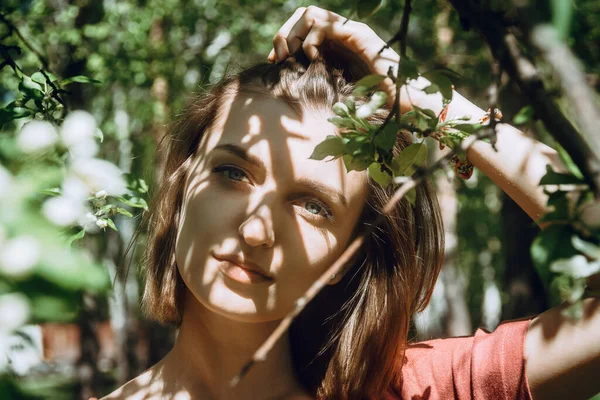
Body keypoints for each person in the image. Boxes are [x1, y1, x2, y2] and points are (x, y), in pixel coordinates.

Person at [101, 6, 600, 400]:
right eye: (233, 172)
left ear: (347, 256)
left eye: (312, 205)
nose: (255, 231)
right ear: (184, 182)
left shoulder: (423, 388)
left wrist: (426, 100)